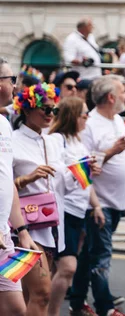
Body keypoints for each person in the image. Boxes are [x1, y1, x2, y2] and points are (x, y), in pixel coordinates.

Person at [70, 75, 125, 316]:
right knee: (102, 255)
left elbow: (124, 151)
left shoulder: (119, 120)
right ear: (111, 97)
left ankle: (77, 301)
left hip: (118, 201)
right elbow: (82, 166)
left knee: (90, 252)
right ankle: (105, 308)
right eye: (122, 92)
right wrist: (111, 152)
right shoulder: (89, 124)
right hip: (99, 203)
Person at [12, 82, 67, 316]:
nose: (49, 114)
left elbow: (63, 182)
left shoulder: (55, 140)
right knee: (42, 293)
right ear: (26, 109)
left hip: (54, 224)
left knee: (29, 296)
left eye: (53, 109)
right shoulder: (11, 140)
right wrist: (27, 178)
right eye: (44, 108)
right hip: (26, 226)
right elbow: (4, 187)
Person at [47, 96, 104, 316]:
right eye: (84, 114)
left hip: (79, 211)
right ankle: (49, 312)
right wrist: (82, 168)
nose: (87, 118)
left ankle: (40, 308)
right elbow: (58, 175)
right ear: (72, 116)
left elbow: (85, 180)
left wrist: (96, 206)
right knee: (68, 267)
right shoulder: (56, 140)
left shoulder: (78, 142)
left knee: (56, 268)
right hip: (63, 210)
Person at [0, 58, 29, 316]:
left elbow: (7, 181)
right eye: (11, 80)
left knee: (16, 309)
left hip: (4, 237)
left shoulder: (4, 124)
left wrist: (21, 230)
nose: (15, 86)